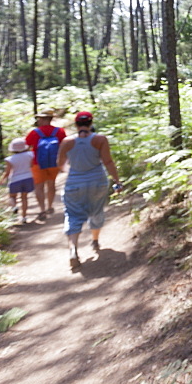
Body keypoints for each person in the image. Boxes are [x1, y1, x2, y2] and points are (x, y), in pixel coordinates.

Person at [57, 111, 123, 271]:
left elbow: (60, 164)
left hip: (74, 183)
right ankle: (95, 240)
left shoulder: (67, 141)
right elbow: (107, 161)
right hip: (97, 182)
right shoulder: (100, 139)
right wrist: (117, 181)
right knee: (96, 211)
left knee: (73, 215)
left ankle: (73, 249)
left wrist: (74, 170)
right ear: (91, 122)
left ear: (76, 124)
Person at [25, 108, 66, 220]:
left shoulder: (34, 132)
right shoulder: (60, 131)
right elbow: (64, 147)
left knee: (39, 186)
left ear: (42, 119)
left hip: (37, 163)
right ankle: (50, 206)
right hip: (54, 162)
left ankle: (42, 209)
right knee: (51, 184)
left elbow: (26, 147)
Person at [0, 138, 34, 224]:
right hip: (28, 177)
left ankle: (14, 207)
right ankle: (24, 217)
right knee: (24, 198)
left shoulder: (10, 159)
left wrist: (2, 179)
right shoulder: (30, 154)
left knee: (12, 196)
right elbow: (32, 165)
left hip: (15, 179)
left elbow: (7, 172)